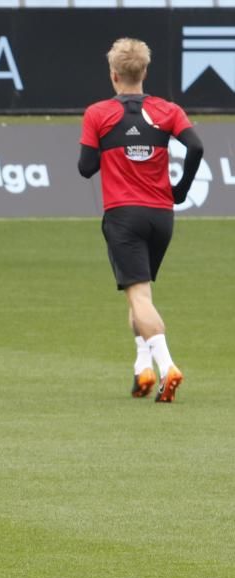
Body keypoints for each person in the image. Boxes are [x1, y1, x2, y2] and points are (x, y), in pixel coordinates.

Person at [78, 37, 203, 402]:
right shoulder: (167, 110)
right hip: (161, 215)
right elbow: (195, 146)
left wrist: (108, 148)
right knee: (140, 295)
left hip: (123, 215)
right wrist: (179, 189)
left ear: (113, 74)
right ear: (144, 71)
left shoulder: (99, 113)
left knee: (139, 296)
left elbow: (86, 168)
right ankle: (142, 367)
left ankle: (167, 367)